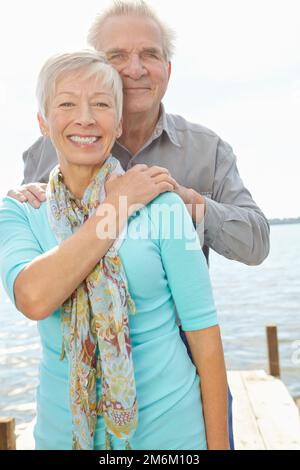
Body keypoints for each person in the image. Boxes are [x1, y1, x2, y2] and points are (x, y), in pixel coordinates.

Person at [6, 0, 270, 449]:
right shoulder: (50, 146)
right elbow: (40, 244)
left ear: (167, 68)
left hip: (184, 354)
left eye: (149, 54)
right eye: (117, 56)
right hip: (77, 372)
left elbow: (257, 242)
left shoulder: (205, 150)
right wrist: (33, 198)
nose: (135, 69)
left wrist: (193, 206)